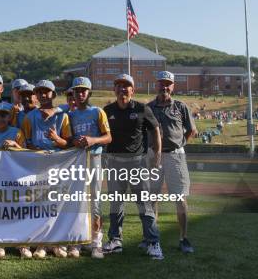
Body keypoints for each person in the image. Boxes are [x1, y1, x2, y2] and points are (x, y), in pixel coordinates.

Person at [102, 74, 164, 260]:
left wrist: (157, 154)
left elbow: (155, 130)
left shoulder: (142, 108)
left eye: (126, 86)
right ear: (114, 90)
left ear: (132, 90)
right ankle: (115, 240)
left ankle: (153, 242)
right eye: (119, 86)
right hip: (115, 163)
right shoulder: (107, 110)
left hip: (138, 164)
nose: (122, 89)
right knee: (116, 205)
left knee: (144, 205)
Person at [20, 80, 72, 259]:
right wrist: (38, 151)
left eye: (46, 92)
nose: (43, 95)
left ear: (53, 94)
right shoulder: (30, 117)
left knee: (57, 205)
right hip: (38, 166)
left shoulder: (62, 116)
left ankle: (57, 243)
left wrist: (57, 139)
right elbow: (26, 144)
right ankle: (41, 245)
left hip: (59, 165)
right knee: (40, 205)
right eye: (40, 92)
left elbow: (67, 144)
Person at [147, 71, 197, 254]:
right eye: (162, 83)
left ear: (173, 86)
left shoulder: (180, 106)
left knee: (180, 199)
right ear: (157, 85)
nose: (164, 87)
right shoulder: (149, 107)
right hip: (153, 156)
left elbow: (191, 130)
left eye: (168, 84)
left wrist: (179, 143)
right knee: (152, 198)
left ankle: (183, 238)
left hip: (176, 156)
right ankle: (151, 238)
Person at [68, 77, 112, 259]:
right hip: (77, 161)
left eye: (83, 90)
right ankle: (78, 241)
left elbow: (108, 137)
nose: (80, 94)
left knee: (95, 202)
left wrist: (93, 140)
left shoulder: (97, 112)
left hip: (94, 158)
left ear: (89, 93)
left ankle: (96, 243)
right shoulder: (70, 115)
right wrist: (74, 141)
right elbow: (67, 139)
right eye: (77, 91)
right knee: (77, 201)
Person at [0, 107, 27, 259]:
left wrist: (16, 146)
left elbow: (28, 154)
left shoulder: (17, 132)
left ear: (9, 118)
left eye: (3, 116)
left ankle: (22, 244)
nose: (0, 119)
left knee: (18, 211)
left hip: (16, 177)